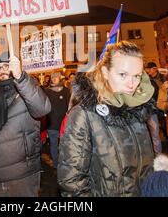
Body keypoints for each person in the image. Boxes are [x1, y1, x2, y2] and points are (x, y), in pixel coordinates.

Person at [58, 41, 157, 196]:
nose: (132, 84)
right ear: (105, 72)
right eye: (123, 74)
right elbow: (72, 183)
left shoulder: (138, 108)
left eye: (137, 76)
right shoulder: (83, 114)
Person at [0, 52, 51, 197]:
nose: (2, 70)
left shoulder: (28, 88)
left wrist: (21, 77)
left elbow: (42, 108)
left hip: (21, 176)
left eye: (6, 66)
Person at [43, 71, 71, 174]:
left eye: (56, 77)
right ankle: (56, 164)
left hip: (64, 123)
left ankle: (65, 164)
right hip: (52, 123)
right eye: (53, 77)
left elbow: (70, 106)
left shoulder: (66, 91)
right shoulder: (47, 91)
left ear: (60, 78)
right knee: (54, 144)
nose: (54, 79)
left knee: (64, 145)